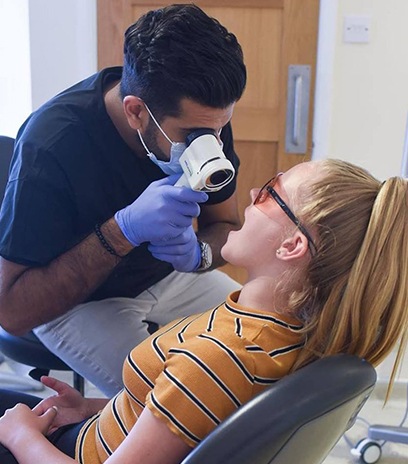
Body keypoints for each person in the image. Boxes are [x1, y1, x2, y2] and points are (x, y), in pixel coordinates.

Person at [0, 158, 407, 464]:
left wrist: (20, 437)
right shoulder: (285, 334)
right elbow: (190, 416)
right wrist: (93, 409)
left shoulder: (221, 358)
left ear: (291, 246)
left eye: (269, 192)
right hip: (87, 431)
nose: (250, 195)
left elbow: (199, 387)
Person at [0, 4, 247, 396]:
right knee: (179, 403)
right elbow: (12, 311)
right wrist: (122, 231)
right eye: (194, 134)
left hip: (169, 278)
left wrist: (197, 254)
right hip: (78, 303)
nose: (211, 144)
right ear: (136, 112)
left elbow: (227, 226)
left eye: (219, 128)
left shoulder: (205, 121)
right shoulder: (52, 144)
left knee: (269, 350)